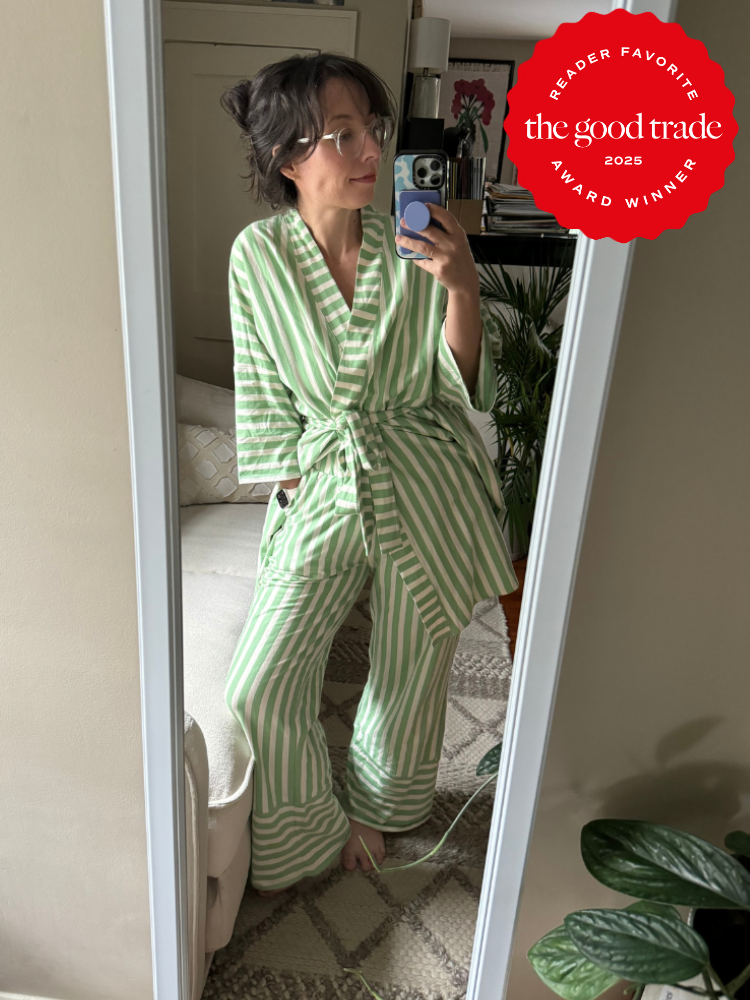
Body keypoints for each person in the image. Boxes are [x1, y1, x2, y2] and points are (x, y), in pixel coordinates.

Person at [220, 53, 518, 897]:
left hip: (421, 467)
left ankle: (379, 810)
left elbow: (453, 384)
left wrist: (461, 285)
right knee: (261, 680)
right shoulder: (258, 257)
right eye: (340, 135)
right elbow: (260, 386)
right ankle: (311, 824)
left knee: (411, 661)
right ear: (288, 158)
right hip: (323, 471)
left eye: (373, 132)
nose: (365, 152)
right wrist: (289, 492)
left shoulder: (413, 240)